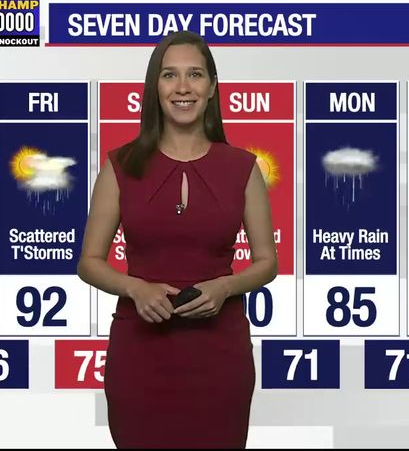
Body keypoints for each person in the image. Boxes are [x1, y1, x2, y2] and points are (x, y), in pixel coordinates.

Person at [77, 30, 278, 448]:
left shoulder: (243, 168)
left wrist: (226, 286)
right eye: (170, 75)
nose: (183, 87)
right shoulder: (120, 166)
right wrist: (135, 288)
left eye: (195, 74)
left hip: (219, 359)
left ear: (212, 87)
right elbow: (89, 262)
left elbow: (266, 263)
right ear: (155, 87)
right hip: (140, 357)